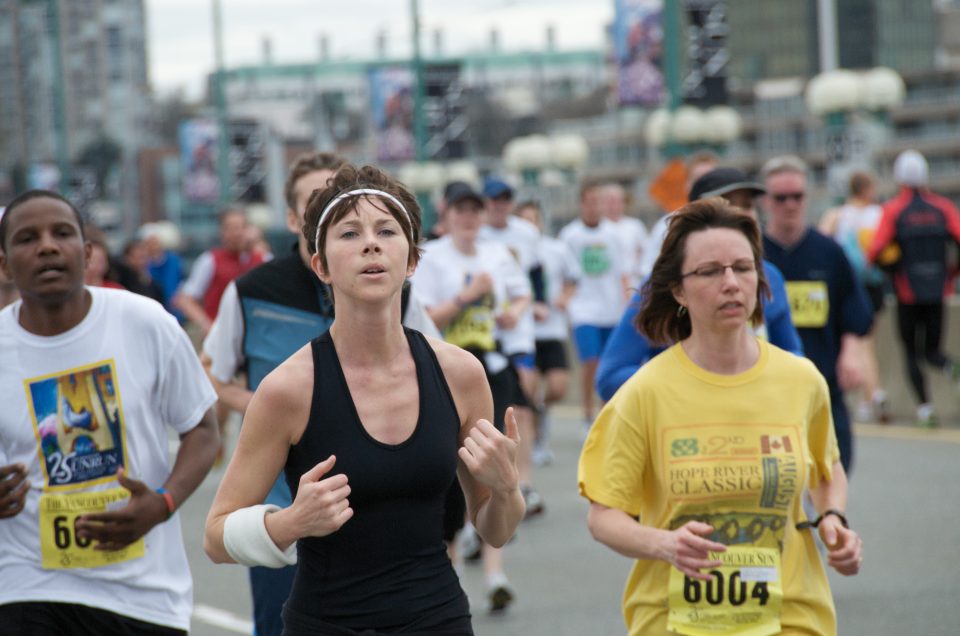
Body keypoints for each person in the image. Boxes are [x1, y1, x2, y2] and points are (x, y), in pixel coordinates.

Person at [204, 165, 525, 634]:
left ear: (412, 259)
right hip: (327, 623)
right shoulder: (288, 388)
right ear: (322, 265)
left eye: (387, 231)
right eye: (349, 233)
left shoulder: (459, 373)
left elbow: (496, 529)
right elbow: (216, 534)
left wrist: (505, 488)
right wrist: (290, 523)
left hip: (438, 619)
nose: (370, 244)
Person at [579, 199, 862, 636]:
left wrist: (833, 520)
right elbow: (603, 516)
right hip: (675, 621)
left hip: (791, 616)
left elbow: (827, 471)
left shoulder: (801, 380)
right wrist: (666, 545)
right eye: (709, 272)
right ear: (677, 290)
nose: (730, 283)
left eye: (743, 268)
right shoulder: (644, 392)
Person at [0, 190, 219, 635]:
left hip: (143, 595)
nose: (46, 246)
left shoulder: (145, 322)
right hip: (27, 584)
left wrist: (162, 503)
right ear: (4, 264)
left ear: (86, 253)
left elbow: (203, 429)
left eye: (62, 233)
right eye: (27, 238)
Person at [412, 180, 531, 612]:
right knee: (448, 473)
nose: (468, 218)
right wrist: (467, 296)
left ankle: (497, 575)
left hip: (488, 367)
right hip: (443, 370)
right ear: (446, 213)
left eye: (475, 210)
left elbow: (521, 294)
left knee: (491, 462)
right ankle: (454, 571)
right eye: (460, 210)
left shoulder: (498, 255)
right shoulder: (430, 258)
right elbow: (421, 319)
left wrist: (513, 313)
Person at [596, 167, 803, 401]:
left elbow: (794, 355)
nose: (740, 214)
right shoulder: (664, 284)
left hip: (757, 418)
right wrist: (695, 380)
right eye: (725, 204)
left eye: (747, 205)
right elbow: (610, 377)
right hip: (685, 424)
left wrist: (754, 376)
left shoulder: (771, 277)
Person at [761, 155, 873, 473]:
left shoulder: (829, 252)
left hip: (823, 384)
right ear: (767, 201)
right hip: (767, 391)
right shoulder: (751, 255)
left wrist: (850, 355)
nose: (789, 204)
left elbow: (855, 311)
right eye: (781, 198)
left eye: (796, 196)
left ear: (807, 197)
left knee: (834, 470)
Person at [868, 150, 960, 427]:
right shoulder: (943, 208)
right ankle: (951, 367)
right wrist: (951, 274)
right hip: (938, 291)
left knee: (911, 353)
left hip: (907, 294)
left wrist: (893, 270)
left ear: (898, 178)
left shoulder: (894, 210)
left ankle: (925, 408)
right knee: (933, 351)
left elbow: (874, 252)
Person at [478, 176, 542, 515]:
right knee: (488, 414)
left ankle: (526, 483)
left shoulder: (525, 233)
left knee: (521, 408)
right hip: (483, 339)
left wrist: (522, 311)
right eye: (493, 200)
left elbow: (534, 276)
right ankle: (494, 485)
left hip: (517, 335)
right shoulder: (478, 236)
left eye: (505, 199)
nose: (499, 205)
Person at [819, 170, 890, 423]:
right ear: (867, 189)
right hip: (874, 283)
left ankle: (872, 395)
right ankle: (872, 394)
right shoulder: (879, 214)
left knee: (862, 343)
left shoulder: (838, 215)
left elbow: (822, 241)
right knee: (866, 341)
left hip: (847, 284)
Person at [559, 180, 631, 430]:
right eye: (589, 202)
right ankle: (588, 414)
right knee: (591, 362)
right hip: (583, 310)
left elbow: (624, 273)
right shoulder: (570, 235)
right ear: (581, 204)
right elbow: (565, 274)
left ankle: (604, 414)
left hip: (611, 310)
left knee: (608, 365)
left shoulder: (614, 234)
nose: (594, 207)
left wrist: (627, 305)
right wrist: (564, 299)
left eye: (598, 202)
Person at [515, 200, 580, 466]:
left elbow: (573, 278)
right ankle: (536, 441)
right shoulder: (510, 249)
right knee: (525, 390)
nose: (530, 224)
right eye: (524, 220)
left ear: (540, 222)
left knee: (558, 387)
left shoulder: (556, 249)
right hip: (524, 332)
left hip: (552, 329)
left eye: (534, 219)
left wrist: (564, 297)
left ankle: (542, 410)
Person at [174, 207, 264, 337]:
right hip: (221, 339)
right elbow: (185, 300)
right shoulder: (209, 260)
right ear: (222, 231)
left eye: (241, 227)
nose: (237, 233)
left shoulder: (262, 259)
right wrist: (207, 325)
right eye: (231, 228)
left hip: (255, 337)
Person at [602, 182, 648, 287]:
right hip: (608, 283)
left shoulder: (635, 226)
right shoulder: (598, 228)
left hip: (633, 282)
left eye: (616, 201)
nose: (612, 205)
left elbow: (644, 251)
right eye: (609, 201)